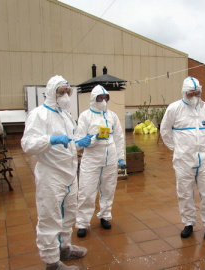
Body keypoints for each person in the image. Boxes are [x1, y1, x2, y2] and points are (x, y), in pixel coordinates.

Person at [21, 75, 91, 270]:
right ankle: (52, 262)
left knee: (69, 213)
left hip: (69, 171)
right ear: (52, 93)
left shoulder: (65, 115)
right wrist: (50, 140)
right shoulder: (39, 114)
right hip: (51, 174)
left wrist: (79, 143)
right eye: (61, 92)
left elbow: (67, 144)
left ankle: (65, 248)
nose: (65, 96)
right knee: (50, 217)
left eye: (67, 92)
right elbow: (28, 144)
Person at [160, 76, 205, 240]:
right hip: (183, 159)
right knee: (184, 192)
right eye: (190, 93)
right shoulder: (174, 109)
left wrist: (204, 146)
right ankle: (188, 223)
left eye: (196, 93)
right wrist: (177, 149)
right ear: (184, 93)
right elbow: (165, 131)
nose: (194, 96)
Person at [75, 85, 126, 238]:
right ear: (93, 99)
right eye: (99, 98)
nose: (103, 101)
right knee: (86, 191)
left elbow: (118, 137)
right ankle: (82, 223)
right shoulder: (85, 116)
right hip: (91, 158)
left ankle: (105, 215)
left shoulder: (112, 116)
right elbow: (78, 142)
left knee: (108, 189)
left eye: (105, 98)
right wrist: (93, 139)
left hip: (110, 157)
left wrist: (120, 158)